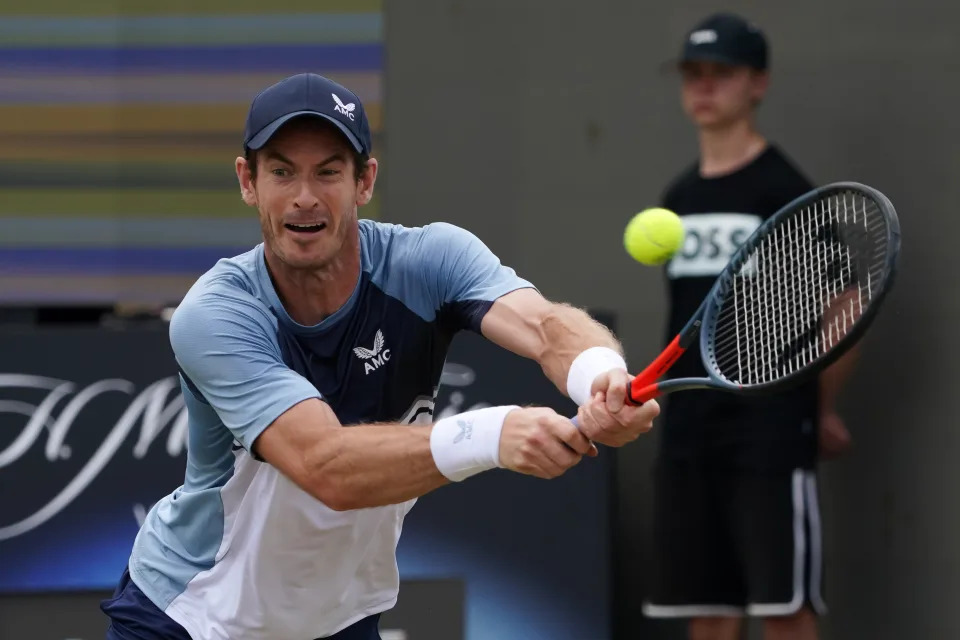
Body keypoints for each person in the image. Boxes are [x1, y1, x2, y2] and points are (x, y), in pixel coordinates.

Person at [99, 72, 659, 640]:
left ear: (364, 180)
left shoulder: (430, 259)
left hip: (340, 619)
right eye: (282, 171)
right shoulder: (217, 314)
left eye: (328, 171)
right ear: (249, 181)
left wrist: (602, 379)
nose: (304, 197)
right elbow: (326, 467)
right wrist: (494, 435)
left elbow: (544, 325)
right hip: (190, 617)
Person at [640, 13, 859, 640]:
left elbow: (844, 300)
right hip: (689, 431)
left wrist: (822, 403)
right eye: (692, 74)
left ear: (757, 83)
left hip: (770, 429)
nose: (704, 87)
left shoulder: (784, 191)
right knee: (705, 612)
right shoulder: (676, 199)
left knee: (784, 608)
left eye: (722, 74)